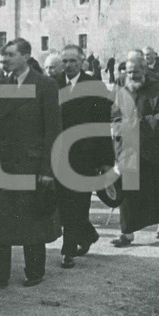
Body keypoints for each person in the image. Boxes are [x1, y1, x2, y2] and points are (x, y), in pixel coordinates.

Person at [0, 38, 62, 288]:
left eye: (11, 55)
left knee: (32, 219)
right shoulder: (0, 84)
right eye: (3, 56)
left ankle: (34, 271)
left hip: (31, 165)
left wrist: (47, 170)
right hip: (5, 164)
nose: (5, 60)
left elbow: (53, 131)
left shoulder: (45, 85)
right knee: (2, 219)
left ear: (26, 56)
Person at [111, 52, 159, 245]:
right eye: (129, 72)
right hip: (130, 148)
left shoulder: (158, 88)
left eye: (136, 71)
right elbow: (115, 116)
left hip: (155, 149)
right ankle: (127, 233)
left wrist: (136, 125)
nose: (132, 76)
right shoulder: (122, 90)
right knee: (128, 191)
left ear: (145, 70)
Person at [54, 45, 113, 268]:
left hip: (84, 156)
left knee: (78, 203)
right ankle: (87, 233)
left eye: (73, 61)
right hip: (57, 154)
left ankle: (68, 251)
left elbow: (102, 126)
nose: (68, 65)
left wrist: (105, 161)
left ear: (82, 62)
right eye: (65, 61)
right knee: (61, 202)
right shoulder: (53, 84)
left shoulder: (94, 86)